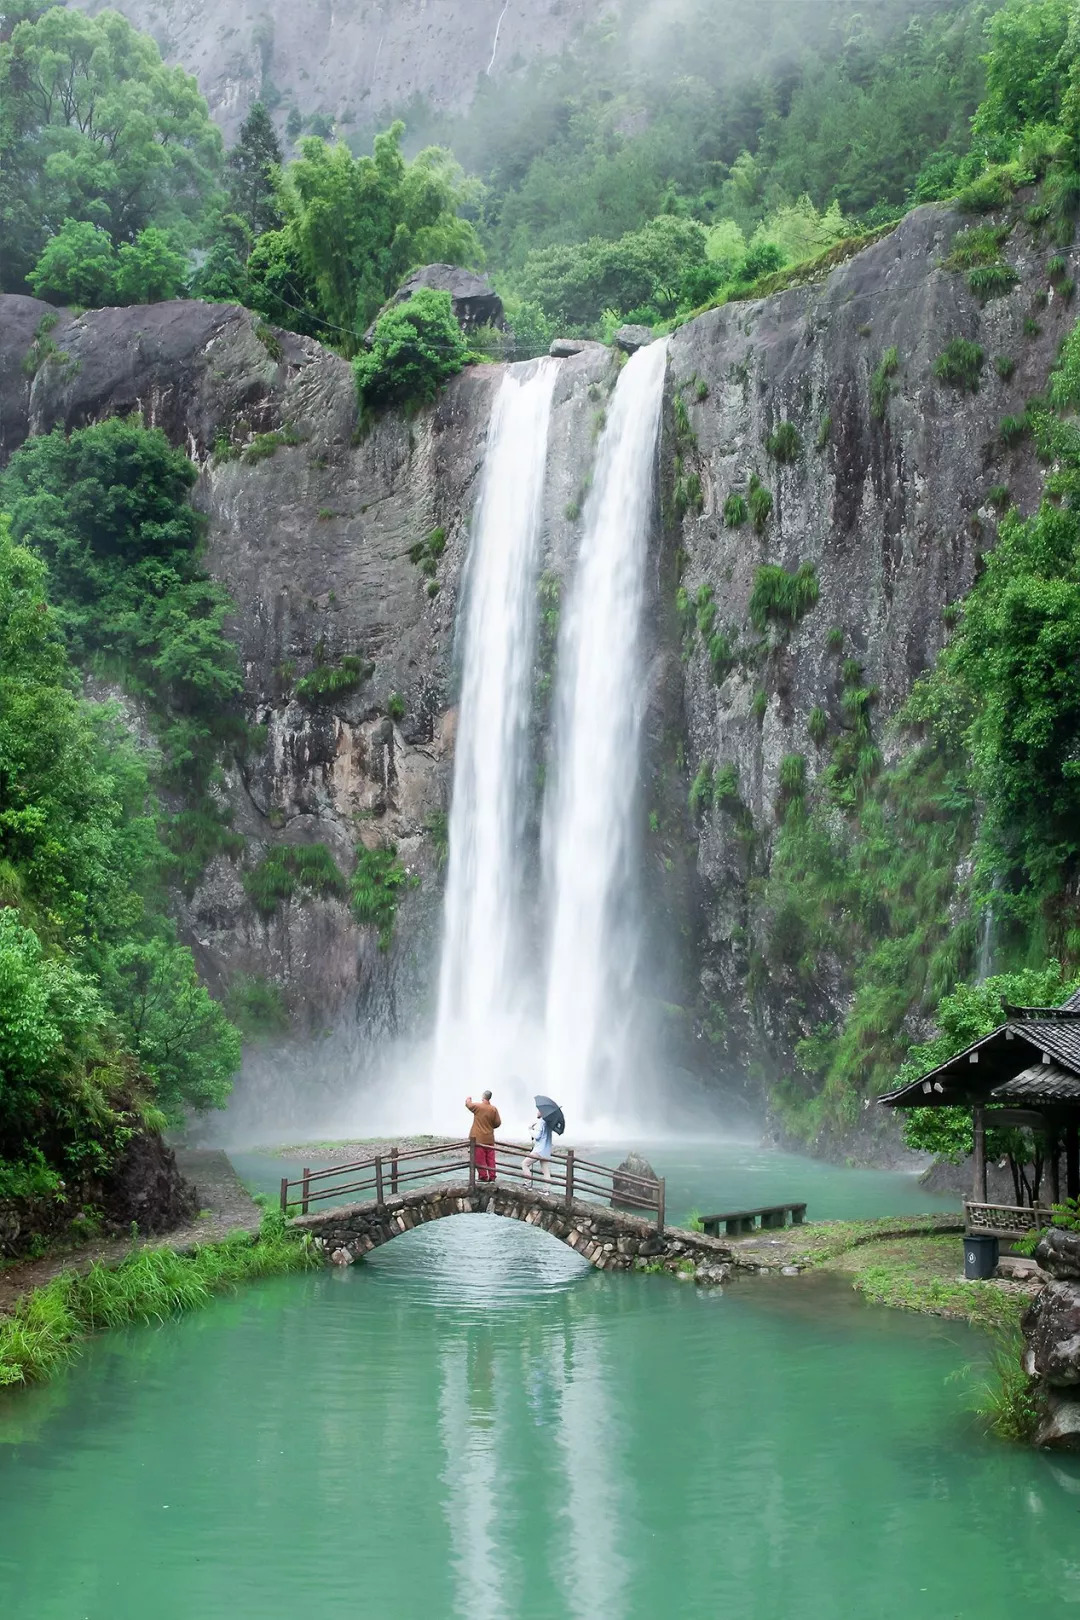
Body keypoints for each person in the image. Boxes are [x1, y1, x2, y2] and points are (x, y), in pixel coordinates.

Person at [465, 1090, 500, 1182]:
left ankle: (483, 1177)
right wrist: (489, 1125)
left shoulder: (478, 1107)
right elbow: (497, 1123)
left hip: (478, 1138)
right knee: (490, 1159)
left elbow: (469, 1105)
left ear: (483, 1097)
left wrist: (468, 1099)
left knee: (480, 1159)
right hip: (489, 1138)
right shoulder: (493, 1109)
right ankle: (492, 1176)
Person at [523, 1107, 553, 1184]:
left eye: (539, 1111)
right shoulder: (549, 1123)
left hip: (539, 1150)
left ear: (542, 1112)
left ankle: (527, 1183)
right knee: (545, 1171)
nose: (537, 1112)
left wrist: (530, 1130)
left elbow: (537, 1136)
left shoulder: (541, 1122)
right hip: (546, 1151)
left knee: (525, 1164)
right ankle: (546, 1190)